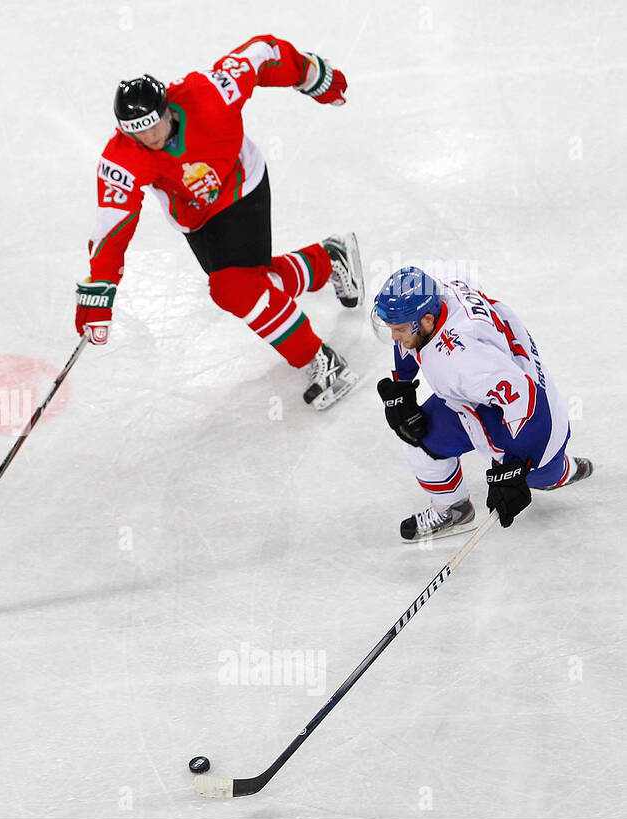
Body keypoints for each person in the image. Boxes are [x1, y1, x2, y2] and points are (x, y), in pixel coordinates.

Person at [74, 35, 362, 410]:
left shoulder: (208, 93)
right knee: (255, 287)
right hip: (195, 216)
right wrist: (99, 290)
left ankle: (319, 359)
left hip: (242, 187)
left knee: (235, 289)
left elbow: (262, 54)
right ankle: (328, 259)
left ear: (167, 109)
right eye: (138, 132)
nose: (150, 137)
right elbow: (113, 228)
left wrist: (311, 74)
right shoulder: (121, 158)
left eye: (154, 124)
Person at [371, 266, 592, 541]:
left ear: (427, 321)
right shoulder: (441, 289)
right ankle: (454, 509)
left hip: (538, 420)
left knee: (537, 472)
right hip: (506, 384)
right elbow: (411, 336)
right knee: (420, 441)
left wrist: (511, 468)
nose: (395, 337)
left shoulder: (460, 362)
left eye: (400, 329)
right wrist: (402, 384)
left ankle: (560, 471)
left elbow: (526, 401)